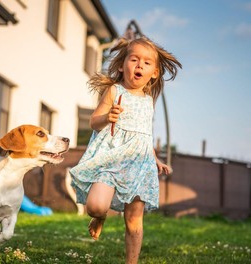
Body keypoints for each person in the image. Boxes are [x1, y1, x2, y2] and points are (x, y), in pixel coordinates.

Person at [70, 36, 182, 263]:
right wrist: (107, 117)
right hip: (111, 158)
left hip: (139, 164)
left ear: (155, 73)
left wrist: (155, 159)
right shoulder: (114, 91)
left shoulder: (149, 100)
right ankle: (99, 217)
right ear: (122, 65)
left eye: (147, 62)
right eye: (134, 59)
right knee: (95, 206)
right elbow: (94, 122)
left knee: (134, 220)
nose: (140, 65)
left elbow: (143, 135)